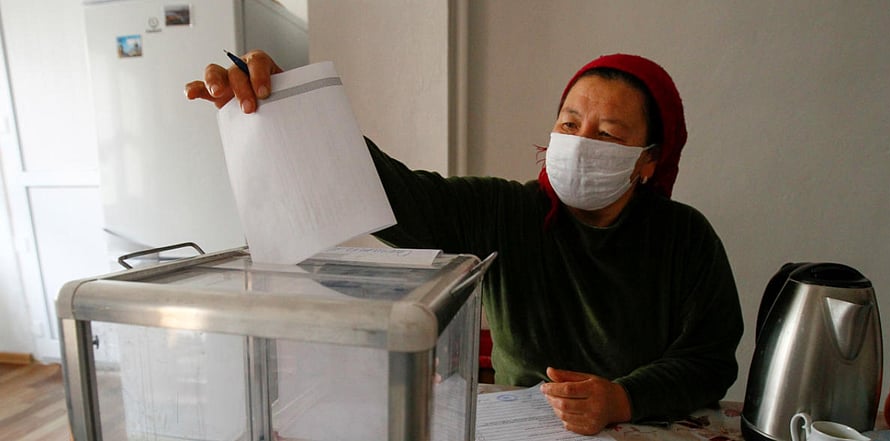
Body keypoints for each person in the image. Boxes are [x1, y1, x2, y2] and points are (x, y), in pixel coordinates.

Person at [185, 51, 744, 436]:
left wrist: (621, 399)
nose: (579, 143)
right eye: (569, 124)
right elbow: (401, 200)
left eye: (607, 135)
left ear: (648, 161)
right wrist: (297, 109)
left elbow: (709, 360)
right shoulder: (509, 211)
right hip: (521, 429)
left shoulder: (686, 238)